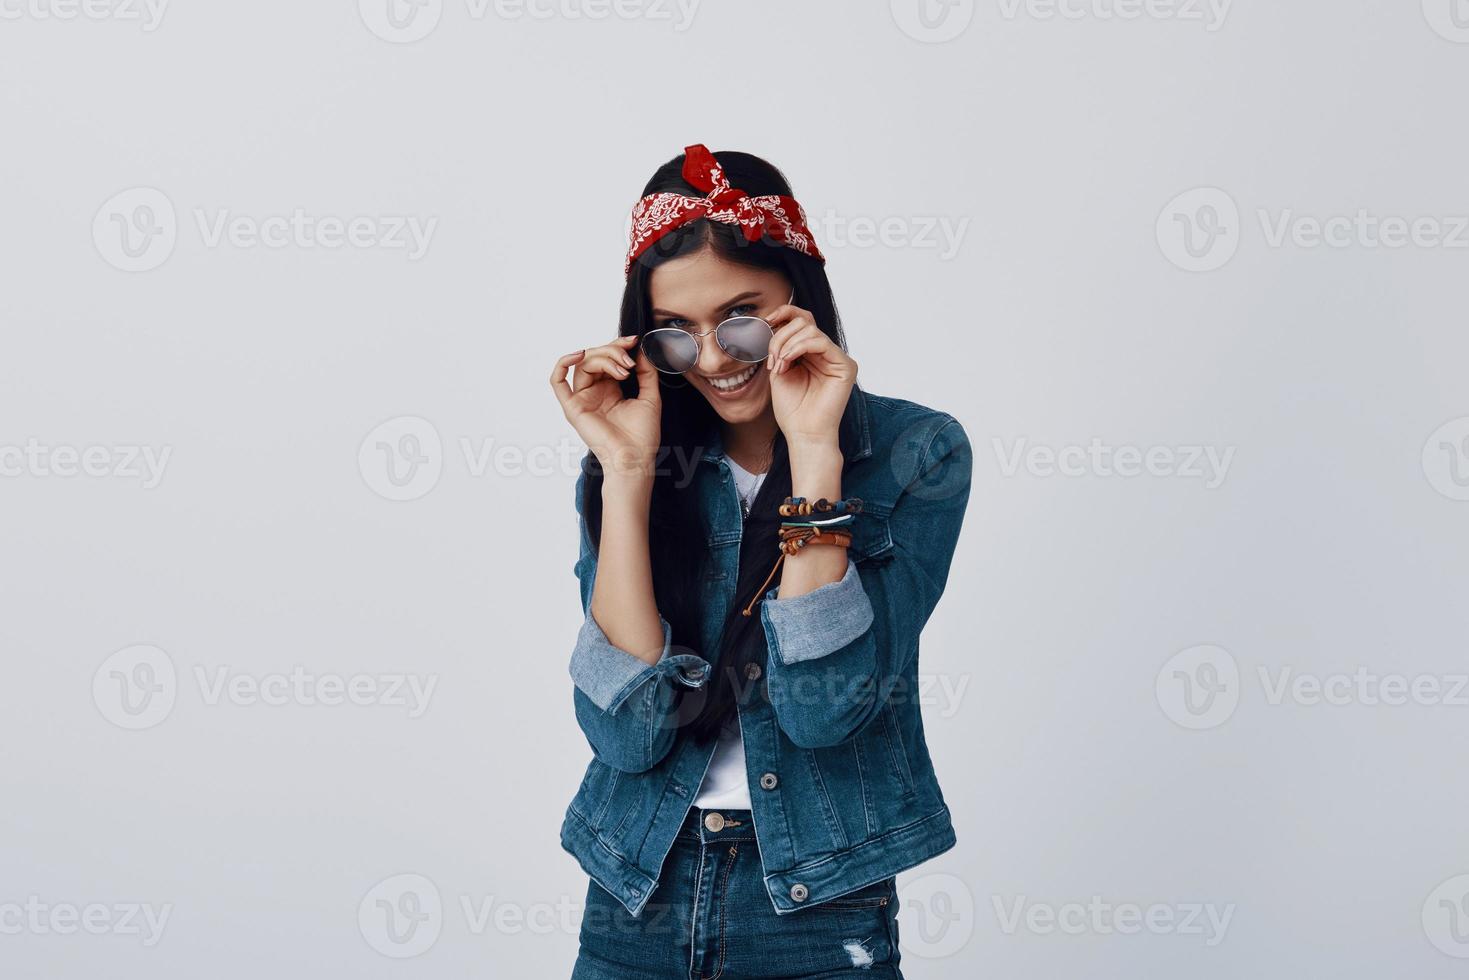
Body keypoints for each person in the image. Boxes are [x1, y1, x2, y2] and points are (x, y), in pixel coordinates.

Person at [549, 143, 973, 979]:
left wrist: (815, 450)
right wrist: (629, 475)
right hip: (636, 889)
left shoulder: (913, 451)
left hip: (818, 906)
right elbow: (626, 735)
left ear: (797, 298)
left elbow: (823, 710)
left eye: (742, 318)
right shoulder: (633, 462)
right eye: (676, 334)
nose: (712, 360)